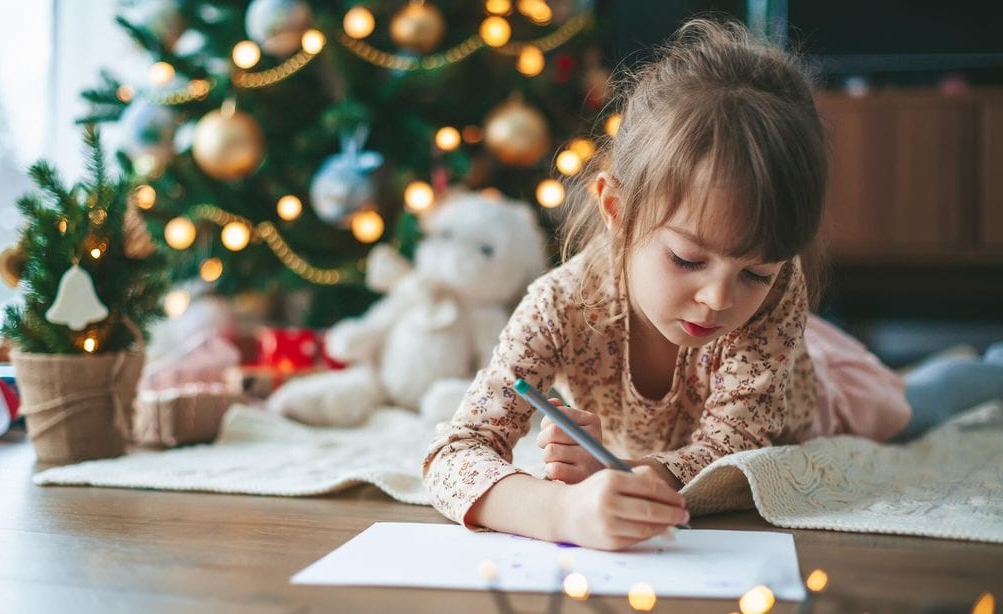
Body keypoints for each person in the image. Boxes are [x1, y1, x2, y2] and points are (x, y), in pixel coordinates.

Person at [422, 18, 1003, 551]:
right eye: (686, 259)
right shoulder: (558, 305)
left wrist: (624, 476)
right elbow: (455, 453)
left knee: (923, 402)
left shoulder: (772, 302)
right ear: (617, 209)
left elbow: (739, 453)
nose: (721, 300)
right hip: (728, 388)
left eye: (755, 272)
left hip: (818, 390)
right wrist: (562, 512)